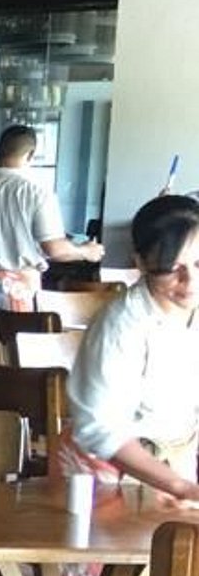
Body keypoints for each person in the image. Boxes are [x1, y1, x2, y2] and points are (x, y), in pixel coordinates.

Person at [0, 124, 102, 407]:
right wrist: (86, 252)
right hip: (20, 285)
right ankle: (16, 417)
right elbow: (55, 249)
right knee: (20, 353)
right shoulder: (37, 194)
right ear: (31, 155)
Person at [61, 193, 199, 500]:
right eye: (171, 267)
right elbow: (100, 427)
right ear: (141, 262)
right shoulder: (122, 324)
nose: (190, 280)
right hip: (112, 472)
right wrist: (180, 487)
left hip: (176, 465)